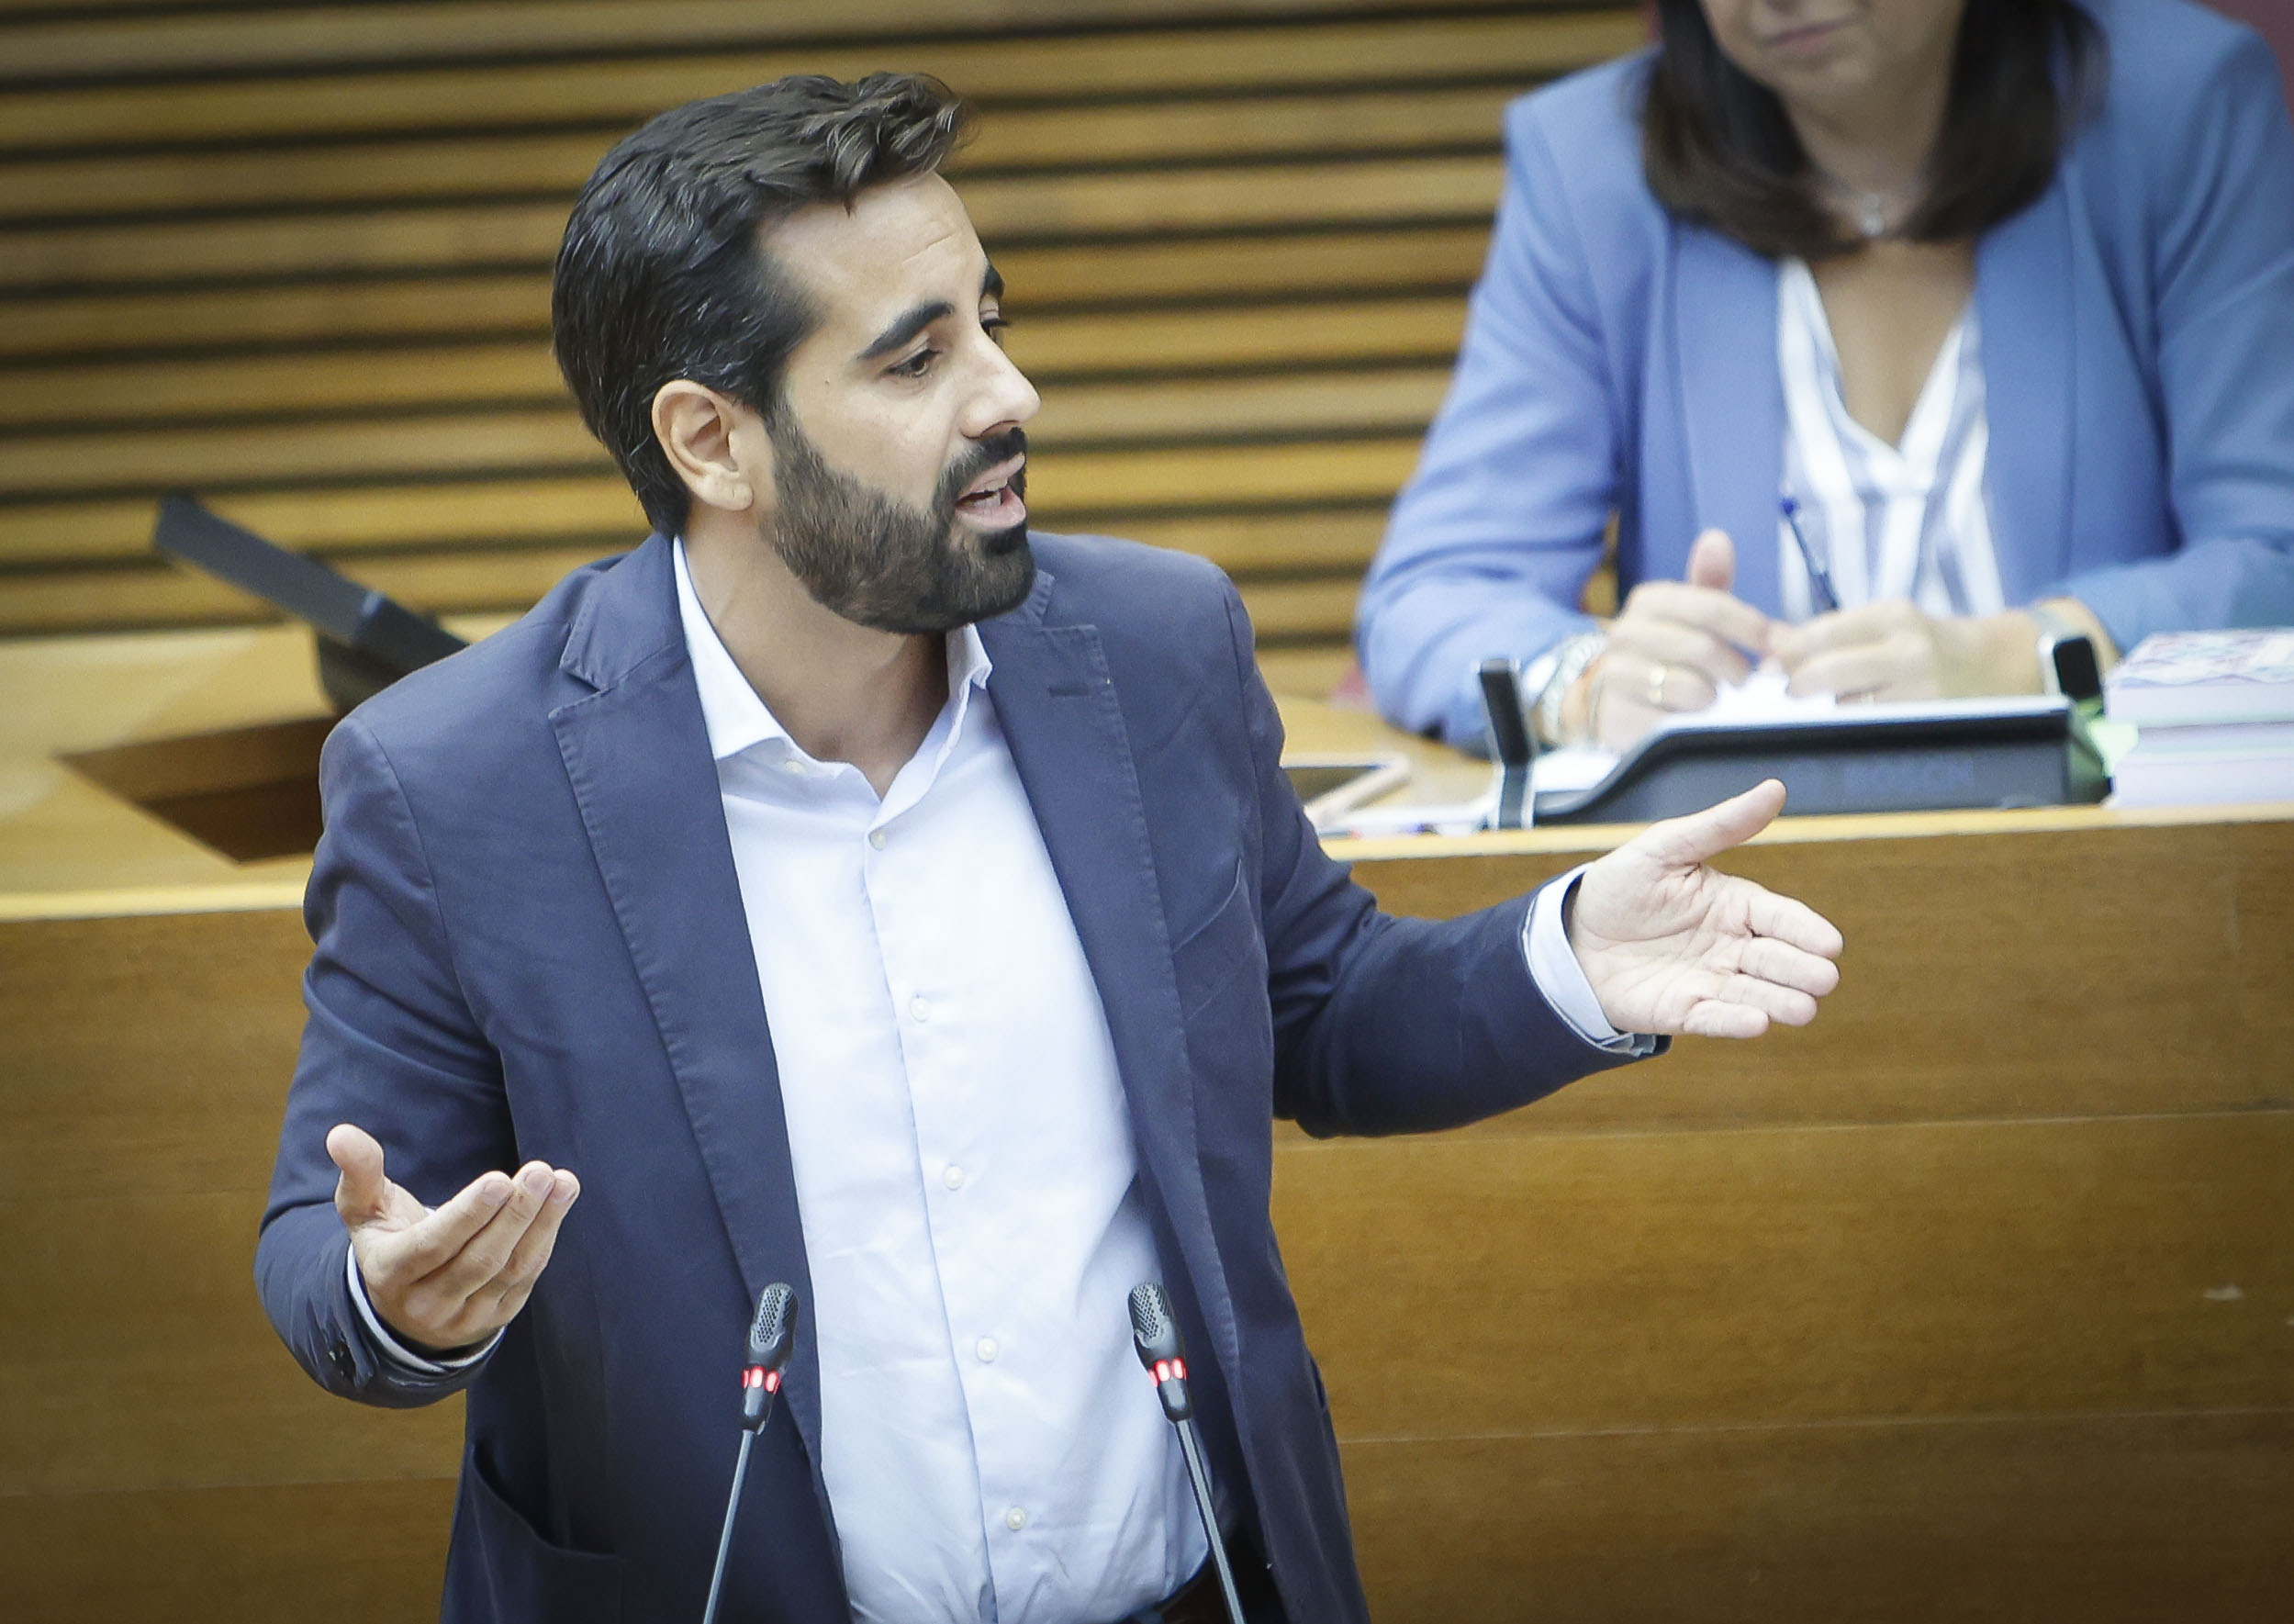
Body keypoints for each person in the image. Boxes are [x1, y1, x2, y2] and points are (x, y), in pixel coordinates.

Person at [253, 73, 1844, 1624]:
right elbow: (327, 1238)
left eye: (990, 321)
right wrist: (393, 1302)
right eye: (912, 358)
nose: (1008, 395)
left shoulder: (1152, 649)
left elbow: (1323, 1004)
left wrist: (1566, 955)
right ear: (709, 441)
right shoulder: (455, 778)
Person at [1357, 0, 2294, 752]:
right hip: (1736, 899)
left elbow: (2275, 552)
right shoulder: (1593, 162)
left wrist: (2020, 655)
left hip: (2122, 873)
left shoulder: (2182, 104)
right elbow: (1436, 590)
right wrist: (1588, 683)